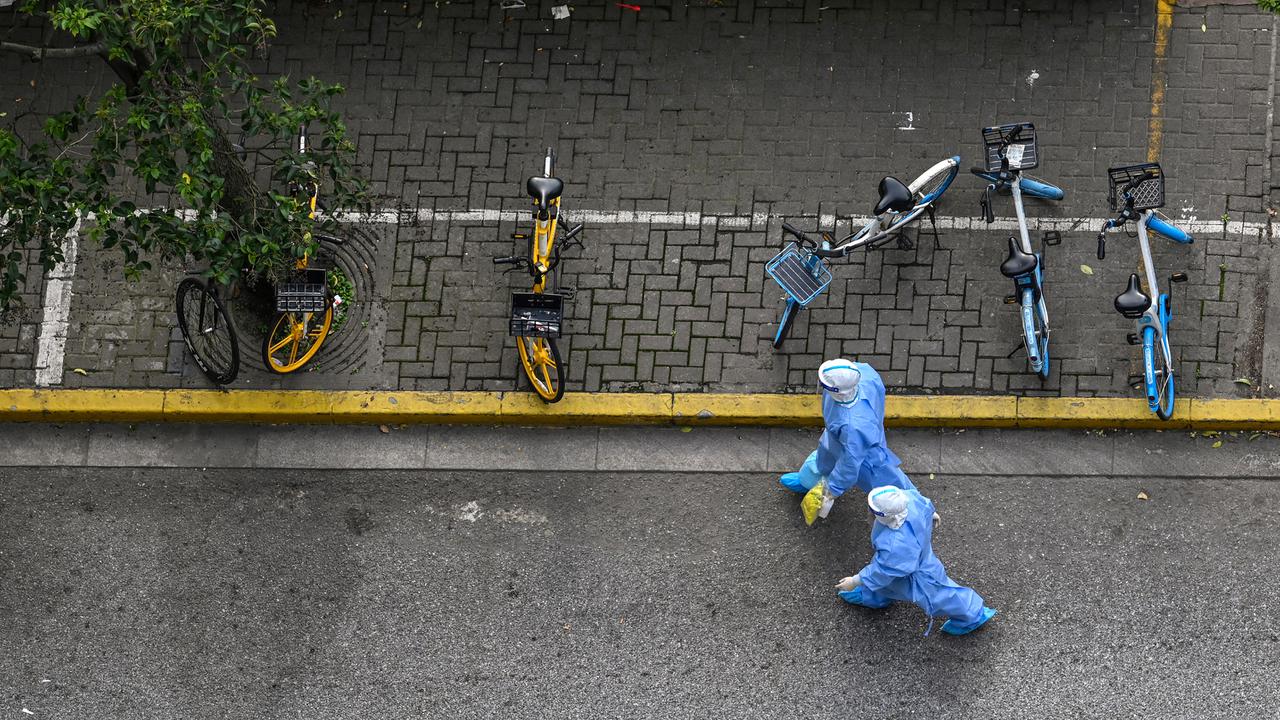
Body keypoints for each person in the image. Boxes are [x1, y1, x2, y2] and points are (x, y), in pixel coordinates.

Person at [835, 486, 997, 636]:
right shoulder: (908, 499)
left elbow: (884, 569)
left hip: (919, 574)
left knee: (939, 595)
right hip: (906, 562)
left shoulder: (895, 544)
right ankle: (874, 596)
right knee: (889, 581)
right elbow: (923, 505)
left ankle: (974, 614)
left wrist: (856, 580)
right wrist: (930, 514)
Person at [779, 358, 916, 525]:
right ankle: (807, 480)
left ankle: (915, 507)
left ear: (837, 390)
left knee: (889, 484)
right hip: (838, 439)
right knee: (823, 460)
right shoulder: (864, 372)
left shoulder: (854, 427)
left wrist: (833, 489)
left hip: (868, 455)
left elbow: (849, 464)